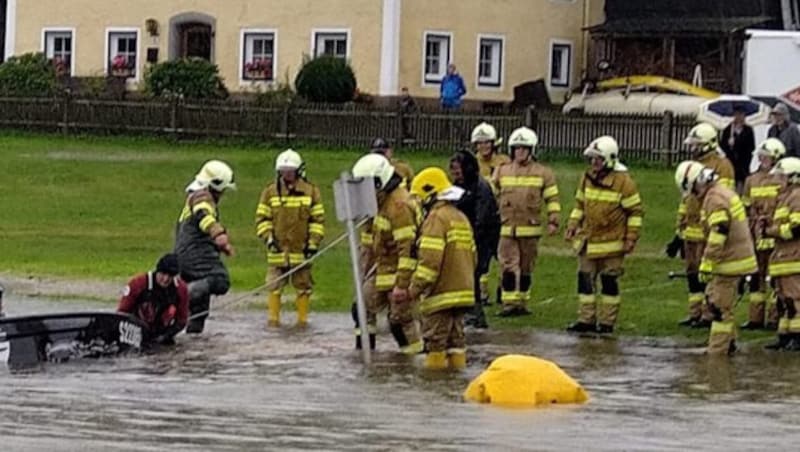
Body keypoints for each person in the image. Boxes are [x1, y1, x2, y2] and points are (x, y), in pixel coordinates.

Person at [674, 161, 756, 355]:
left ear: (696, 183)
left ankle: (717, 353)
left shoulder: (714, 199)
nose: (693, 194)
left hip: (729, 262)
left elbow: (719, 231)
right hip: (735, 259)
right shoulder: (721, 192)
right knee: (719, 304)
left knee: (719, 308)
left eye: (691, 189)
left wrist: (707, 263)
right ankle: (729, 345)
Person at [565, 136, 643, 334]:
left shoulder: (624, 182)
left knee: (609, 283)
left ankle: (607, 323)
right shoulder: (587, 178)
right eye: (591, 159)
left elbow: (635, 212)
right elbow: (580, 205)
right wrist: (573, 224)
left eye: (598, 159)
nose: (594, 163)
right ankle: (586, 320)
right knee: (585, 281)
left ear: (609, 159)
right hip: (588, 242)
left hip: (612, 244)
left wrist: (631, 238)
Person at [351, 154, 422, 354]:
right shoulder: (378, 202)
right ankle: (365, 358)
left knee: (400, 322)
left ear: (378, 181)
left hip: (400, 273)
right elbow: (369, 241)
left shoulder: (399, 206)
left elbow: (407, 251)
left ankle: (413, 365)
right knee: (361, 309)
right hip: (381, 269)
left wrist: (401, 285)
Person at [667, 123, 734, 328]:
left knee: (708, 274)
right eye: (693, 145)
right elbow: (685, 199)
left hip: (707, 228)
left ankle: (708, 314)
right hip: (691, 229)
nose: (693, 149)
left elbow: (724, 200)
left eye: (697, 145)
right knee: (692, 273)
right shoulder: (692, 165)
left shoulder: (722, 166)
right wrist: (679, 232)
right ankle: (694, 313)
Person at [409, 167, 476, 370]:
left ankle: (434, 389)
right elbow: (473, 256)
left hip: (441, 295)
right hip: (463, 292)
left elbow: (430, 261)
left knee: (435, 343)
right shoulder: (460, 217)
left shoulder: (436, 219)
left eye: (420, 198)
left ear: (430, 195)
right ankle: (455, 384)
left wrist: (415, 289)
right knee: (456, 342)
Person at [493, 127, 560, 316]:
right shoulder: (502, 171)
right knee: (508, 265)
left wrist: (553, 220)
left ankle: (522, 302)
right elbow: (492, 196)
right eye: (516, 148)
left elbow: (552, 199)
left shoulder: (543, 173)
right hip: (507, 228)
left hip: (530, 229)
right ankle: (509, 303)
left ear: (532, 150)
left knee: (526, 268)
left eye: (524, 148)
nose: (519, 152)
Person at [255, 149, 325, 328]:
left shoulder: (311, 192)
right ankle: (273, 321)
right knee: (274, 285)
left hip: (301, 251)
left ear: (298, 171)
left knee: (303, 286)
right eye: (284, 171)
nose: (287, 175)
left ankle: (302, 322)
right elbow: (262, 219)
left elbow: (317, 221)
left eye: (290, 171)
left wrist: (313, 244)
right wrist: (268, 238)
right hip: (277, 251)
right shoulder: (270, 192)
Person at [174, 160, 236, 334]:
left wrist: (220, 246)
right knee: (220, 280)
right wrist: (218, 233)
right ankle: (179, 295)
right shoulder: (202, 196)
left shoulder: (195, 196)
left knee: (200, 309)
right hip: (196, 254)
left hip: (185, 255)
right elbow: (203, 215)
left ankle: (192, 339)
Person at [449, 150, 500, 328]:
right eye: (453, 170)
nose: (455, 174)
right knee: (466, 278)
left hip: (481, 239)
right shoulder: (456, 186)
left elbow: (483, 218)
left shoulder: (481, 187)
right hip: (463, 239)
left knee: (472, 276)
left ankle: (476, 315)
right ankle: (471, 313)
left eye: (458, 170)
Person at [741, 138, 786, 330]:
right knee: (755, 277)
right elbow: (745, 206)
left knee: (776, 278)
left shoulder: (782, 179)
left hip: (774, 234)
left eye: (766, 156)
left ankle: (775, 317)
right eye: (761, 156)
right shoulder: (752, 180)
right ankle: (755, 318)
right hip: (756, 234)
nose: (762, 159)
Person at [763, 157, 800, 350]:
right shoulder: (784, 198)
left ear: (793, 177)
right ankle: (785, 336)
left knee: (796, 298)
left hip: (794, 258)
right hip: (783, 257)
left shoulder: (797, 196)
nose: (776, 179)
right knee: (784, 299)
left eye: (780, 176)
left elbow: (796, 229)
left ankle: (798, 336)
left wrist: (772, 231)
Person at [117, 253, 189, 345]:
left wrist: (164, 336)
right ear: (157, 271)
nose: (166, 279)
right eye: (163, 274)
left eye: (170, 276)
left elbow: (181, 321)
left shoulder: (181, 289)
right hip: (134, 330)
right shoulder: (138, 284)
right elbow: (122, 313)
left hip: (161, 332)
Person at [720, 107, 756, 192]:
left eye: (742, 114)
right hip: (732, 162)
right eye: (738, 114)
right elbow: (722, 146)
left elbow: (752, 146)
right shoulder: (728, 130)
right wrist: (729, 144)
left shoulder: (748, 130)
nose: (740, 117)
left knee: (742, 183)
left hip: (744, 163)